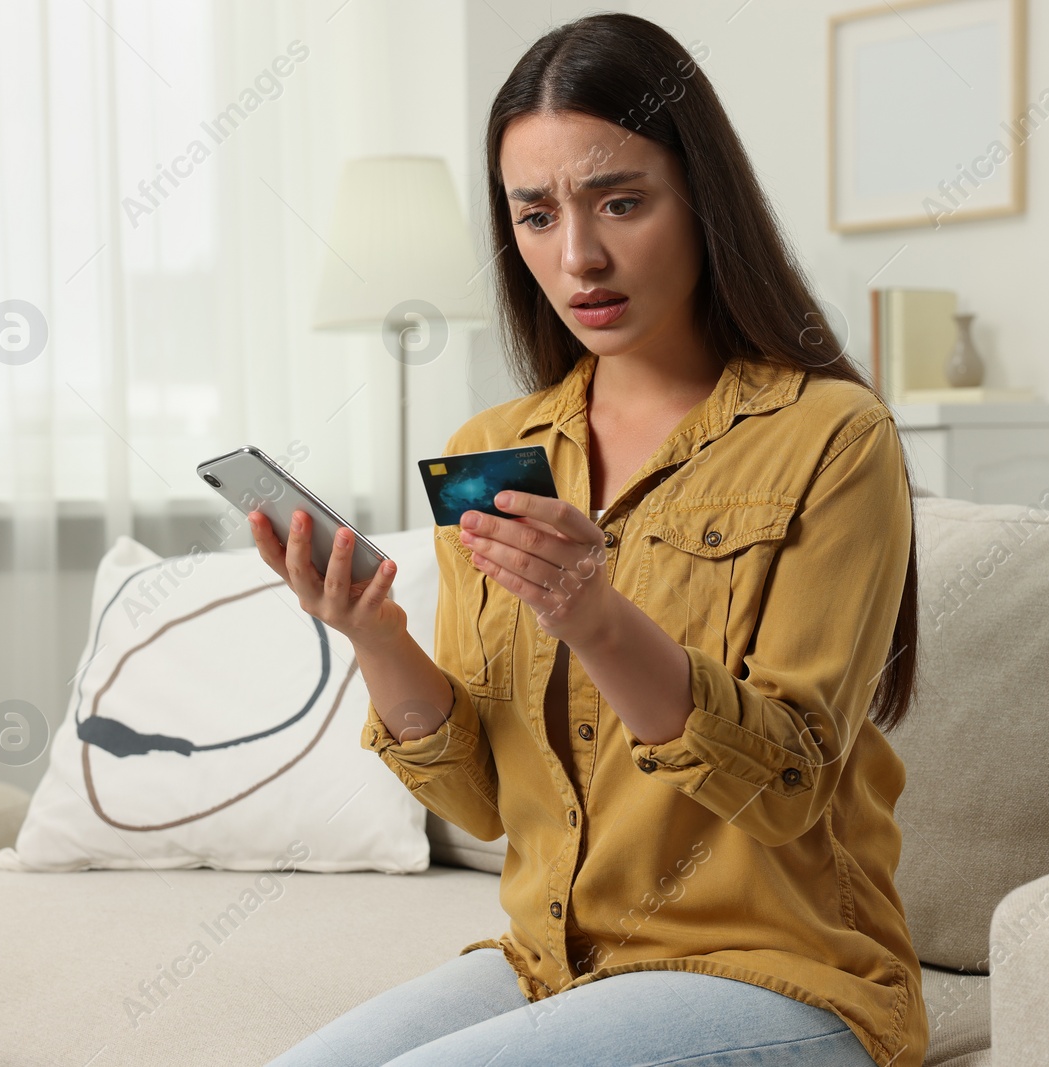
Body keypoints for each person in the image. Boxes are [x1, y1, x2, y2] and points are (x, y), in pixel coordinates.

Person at [255, 12, 927, 1067]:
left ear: (703, 199)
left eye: (621, 201)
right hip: (551, 956)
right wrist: (376, 635)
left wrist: (596, 617)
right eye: (535, 214)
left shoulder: (831, 436)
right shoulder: (496, 448)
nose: (578, 256)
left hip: (780, 972)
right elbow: (480, 800)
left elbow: (789, 784)